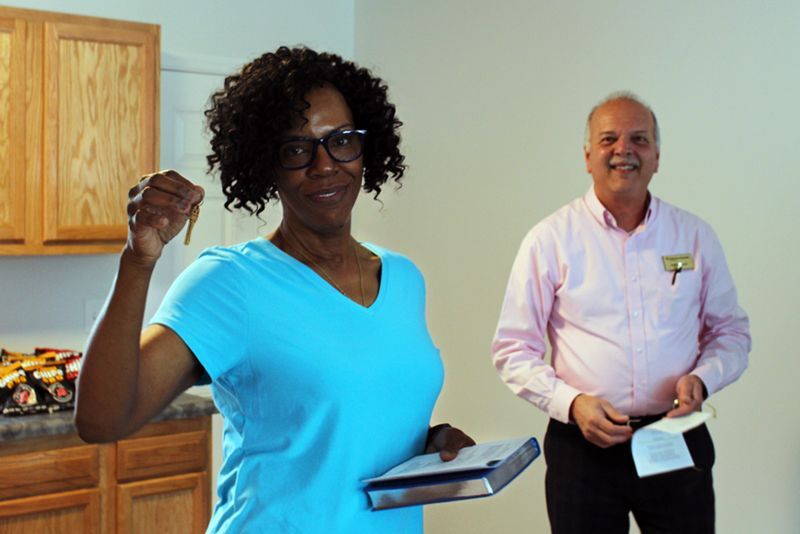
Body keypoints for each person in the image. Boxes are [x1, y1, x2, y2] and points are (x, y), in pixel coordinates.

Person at [75, 46, 474, 533]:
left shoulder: (404, 279)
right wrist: (138, 260)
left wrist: (425, 444)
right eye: (296, 149)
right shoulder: (232, 283)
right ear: (268, 166)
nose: (324, 165)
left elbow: (349, 419)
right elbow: (101, 419)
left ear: (366, 149)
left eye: (341, 141)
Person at [491, 92, 750, 533]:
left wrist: (703, 378)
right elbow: (513, 350)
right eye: (608, 139)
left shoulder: (695, 236)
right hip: (584, 447)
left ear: (657, 157)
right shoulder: (549, 240)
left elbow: (731, 333)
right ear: (588, 156)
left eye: (639, 139)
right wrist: (571, 405)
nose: (623, 150)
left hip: (675, 437)